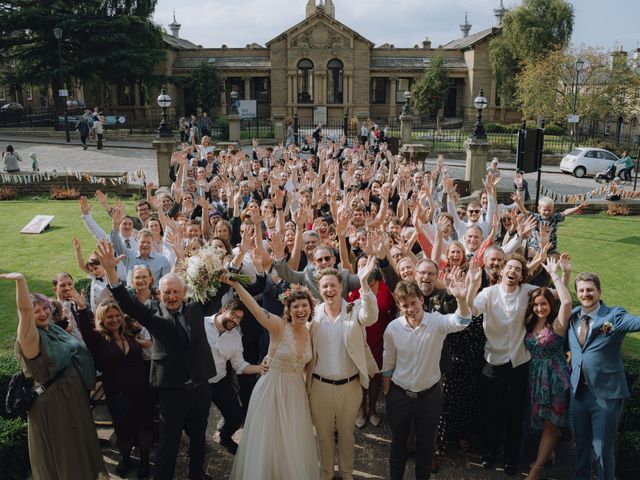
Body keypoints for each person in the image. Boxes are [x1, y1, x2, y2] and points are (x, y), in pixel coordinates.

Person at [97, 240, 219, 480]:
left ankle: (196, 473)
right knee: (168, 442)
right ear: (159, 294)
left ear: (184, 293)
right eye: (167, 293)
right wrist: (111, 271)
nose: (171, 296)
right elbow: (126, 301)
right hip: (172, 391)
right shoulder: (152, 311)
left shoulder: (196, 308)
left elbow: (220, 288)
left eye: (175, 292)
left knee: (198, 436)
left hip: (201, 386)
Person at [0, 273, 107, 480]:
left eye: (43, 308)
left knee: (80, 445)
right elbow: (24, 310)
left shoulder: (54, 330)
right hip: (54, 404)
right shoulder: (30, 339)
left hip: (73, 396)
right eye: (35, 311)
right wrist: (21, 281)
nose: (41, 313)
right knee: (65, 451)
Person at [469, 254, 568, 476]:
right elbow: (471, 311)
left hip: (518, 364)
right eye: (510, 267)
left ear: (522, 276)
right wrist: (470, 287)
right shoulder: (488, 293)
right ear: (502, 271)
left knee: (514, 416)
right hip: (492, 362)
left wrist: (562, 275)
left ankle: (511, 459)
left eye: (518, 269)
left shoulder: (527, 292)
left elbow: (556, 297)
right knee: (491, 414)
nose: (513, 271)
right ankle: (489, 453)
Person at [223, 275, 321, 480]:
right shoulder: (279, 326)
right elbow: (256, 310)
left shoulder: (312, 331)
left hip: (295, 392)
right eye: (296, 306)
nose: (301, 310)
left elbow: (305, 367)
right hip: (272, 388)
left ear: (311, 308)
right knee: (270, 440)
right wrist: (236, 284)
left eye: (304, 305)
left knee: (291, 441)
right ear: (288, 309)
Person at [382, 273, 474, 480]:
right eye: (404, 305)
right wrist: (388, 393)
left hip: (429, 397)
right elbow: (388, 364)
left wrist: (461, 299)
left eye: (414, 303)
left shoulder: (437, 323)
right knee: (398, 445)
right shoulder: (393, 329)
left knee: (425, 447)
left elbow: (462, 321)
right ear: (399, 305)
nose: (410, 309)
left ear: (421, 300)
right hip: (399, 396)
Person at [306, 258, 380, 480]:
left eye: (333, 286)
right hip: (319, 387)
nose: (329, 290)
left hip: (350, 386)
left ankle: (347, 474)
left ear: (341, 288)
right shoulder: (313, 315)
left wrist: (364, 284)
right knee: (323, 437)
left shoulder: (354, 308)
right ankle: (326, 473)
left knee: (347, 435)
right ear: (319, 290)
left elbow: (371, 316)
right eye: (325, 286)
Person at [568, 271, 640, 480]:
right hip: (578, 394)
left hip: (606, 395)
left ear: (599, 291)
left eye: (590, 290)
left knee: (602, 450)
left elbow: (636, 322)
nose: (585, 294)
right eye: (581, 290)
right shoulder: (573, 315)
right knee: (580, 447)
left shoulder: (614, 316)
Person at [76, 296, 154, 479]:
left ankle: (144, 460)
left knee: (145, 427)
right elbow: (85, 330)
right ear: (102, 319)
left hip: (142, 390)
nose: (114, 320)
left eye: (117, 315)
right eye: (109, 317)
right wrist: (81, 308)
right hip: (118, 395)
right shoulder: (97, 339)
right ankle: (126, 459)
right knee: (124, 432)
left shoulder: (129, 333)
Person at [523, 256, 573, 480]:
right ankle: (549, 453)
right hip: (535, 378)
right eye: (536, 304)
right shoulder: (530, 323)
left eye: (544, 304)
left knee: (550, 425)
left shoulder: (557, 325)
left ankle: (536, 469)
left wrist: (557, 274)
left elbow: (567, 302)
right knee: (544, 424)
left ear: (550, 305)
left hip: (555, 380)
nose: (540, 307)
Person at [203, 297, 262, 456]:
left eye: (239, 318)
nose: (235, 321)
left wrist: (259, 368)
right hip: (198, 383)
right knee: (197, 421)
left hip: (219, 381)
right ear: (223, 310)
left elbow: (239, 365)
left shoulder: (236, 337)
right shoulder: (201, 323)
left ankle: (225, 436)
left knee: (236, 417)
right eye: (233, 315)